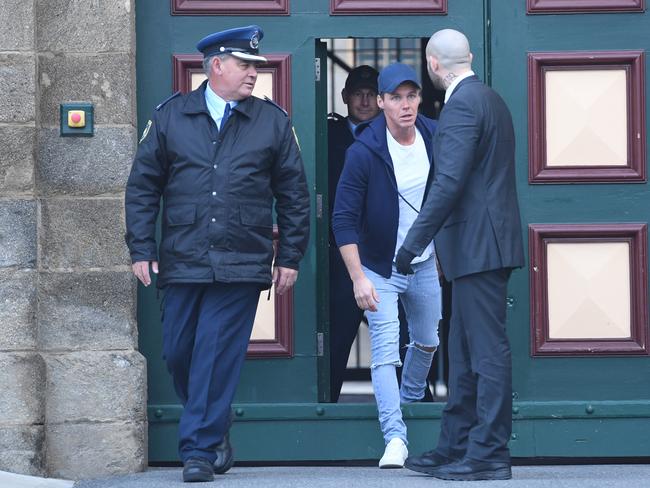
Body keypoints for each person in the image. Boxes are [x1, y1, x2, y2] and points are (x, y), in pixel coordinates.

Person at [124, 25, 310, 483]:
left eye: (255, 66)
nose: (253, 73)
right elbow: (143, 187)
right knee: (178, 352)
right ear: (217, 67)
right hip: (183, 257)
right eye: (245, 65)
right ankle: (215, 422)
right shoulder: (171, 116)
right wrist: (141, 247)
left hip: (241, 261)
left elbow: (294, 195)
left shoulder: (272, 121)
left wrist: (289, 256)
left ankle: (200, 450)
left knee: (213, 352)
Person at [395, 29, 524, 481]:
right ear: (468, 57)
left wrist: (411, 245)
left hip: (478, 246)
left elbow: (449, 183)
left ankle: (487, 453)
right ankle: (456, 446)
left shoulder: (462, 105)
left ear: (432, 63)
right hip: (479, 244)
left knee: (485, 353)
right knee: (464, 351)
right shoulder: (489, 98)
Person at [333, 63, 442, 468]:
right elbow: (342, 218)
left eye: (411, 96)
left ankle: (410, 399)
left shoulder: (434, 135)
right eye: (395, 97)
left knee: (428, 339)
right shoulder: (364, 150)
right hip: (379, 264)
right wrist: (358, 276)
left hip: (425, 261)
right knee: (384, 353)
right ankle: (395, 435)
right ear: (381, 103)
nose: (405, 105)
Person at [327, 65, 380, 402]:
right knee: (336, 337)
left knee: (400, 338)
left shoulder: (393, 135)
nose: (364, 99)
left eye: (371, 93)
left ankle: (416, 406)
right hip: (340, 257)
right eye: (358, 92)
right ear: (345, 97)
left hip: (387, 253)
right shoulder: (327, 135)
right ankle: (327, 403)